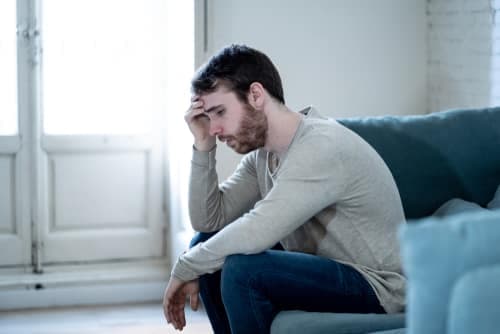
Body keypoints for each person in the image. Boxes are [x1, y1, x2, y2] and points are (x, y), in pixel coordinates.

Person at [163, 44, 406, 334]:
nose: (214, 127)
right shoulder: (263, 156)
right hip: (326, 268)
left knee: (243, 271)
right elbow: (209, 220)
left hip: (378, 286)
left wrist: (187, 266)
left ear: (255, 95)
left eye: (219, 112)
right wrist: (203, 144)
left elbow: (258, 230)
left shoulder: (320, 145)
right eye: (208, 118)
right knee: (206, 239)